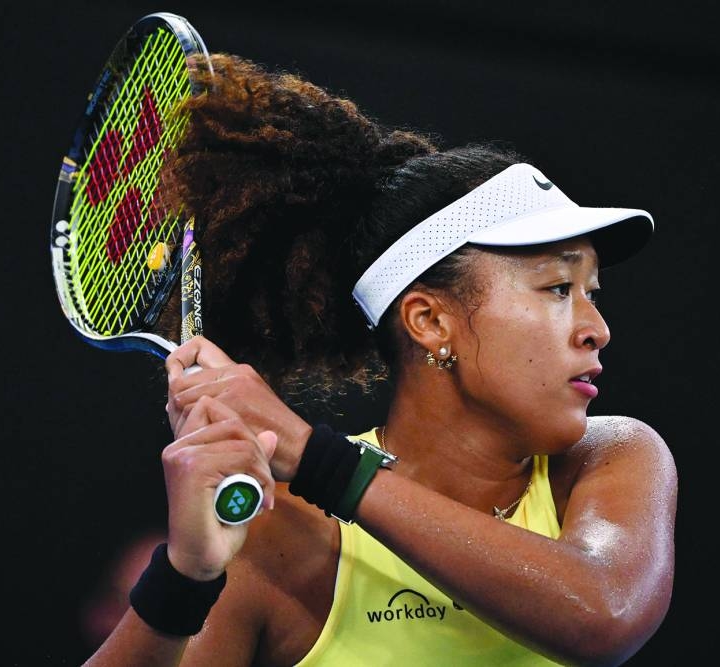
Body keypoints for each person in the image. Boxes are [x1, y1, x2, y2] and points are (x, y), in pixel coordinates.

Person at [83, 53, 677, 666]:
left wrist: (320, 462)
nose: (597, 330)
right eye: (558, 289)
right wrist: (187, 577)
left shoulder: (610, 459)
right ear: (430, 321)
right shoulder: (282, 537)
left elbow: (603, 615)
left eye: (591, 295)